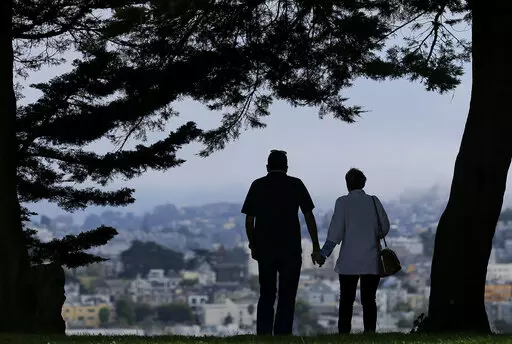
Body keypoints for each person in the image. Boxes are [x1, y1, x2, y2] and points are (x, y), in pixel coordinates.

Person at [241, 149, 322, 336]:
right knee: (288, 294)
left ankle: (263, 333)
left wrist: (253, 245)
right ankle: (282, 333)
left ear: (267, 166)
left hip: (265, 248)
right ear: (286, 167)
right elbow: (309, 216)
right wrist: (316, 245)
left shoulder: (258, 185)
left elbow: (249, 220)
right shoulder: (296, 184)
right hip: (290, 248)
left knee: (267, 293)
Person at [312, 168, 390, 334]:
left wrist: (324, 254)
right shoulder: (374, 201)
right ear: (364, 183)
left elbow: (335, 233)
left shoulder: (342, 202)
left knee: (346, 300)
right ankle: (369, 331)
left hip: (349, 261)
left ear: (347, 184)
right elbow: (384, 228)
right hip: (371, 259)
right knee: (369, 299)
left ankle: (344, 333)